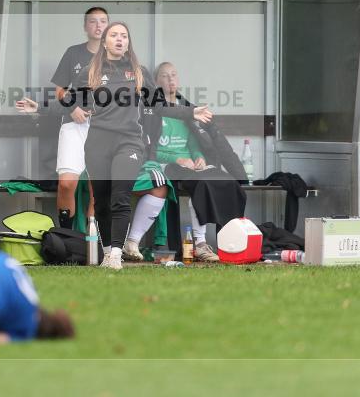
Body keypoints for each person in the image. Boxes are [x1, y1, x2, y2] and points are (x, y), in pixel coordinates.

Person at [17, 22, 213, 270]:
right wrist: (40, 107)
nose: (120, 39)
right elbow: (69, 101)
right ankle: (108, 249)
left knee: (120, 196)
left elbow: (159, 105)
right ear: (106, 42)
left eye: (124, 36)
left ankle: (115, 255)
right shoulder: (92, 71)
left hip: (129, 142)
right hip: (97, 142)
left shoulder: (139, 72)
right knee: (101, 201)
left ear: (128, 43)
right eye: (114, 35)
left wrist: (191, 111)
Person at [126, 62, 247, 262]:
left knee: (223, 181)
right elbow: (152, 148)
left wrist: (198, 156)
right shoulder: (152, 110)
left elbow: (195, 141)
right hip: (165, 165)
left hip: (191, 165)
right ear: (155, 82)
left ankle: (231, 244)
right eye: (165, 76)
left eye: (174, 75)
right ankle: (199, 243)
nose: (171, 79)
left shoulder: (187, 109)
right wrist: (177, 159)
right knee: (200, 185)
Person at [48, 7, 108, 229]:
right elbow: (60, 91)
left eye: (103, 21)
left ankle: (93, 245)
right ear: (85, 27)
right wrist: (72, 108)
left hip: (103, 129)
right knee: (67, 184)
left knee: (97, 189)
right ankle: (65, 237)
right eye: (93, 22)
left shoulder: (117, 56)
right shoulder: (73, 53)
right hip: (74, 124)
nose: (98, 26)